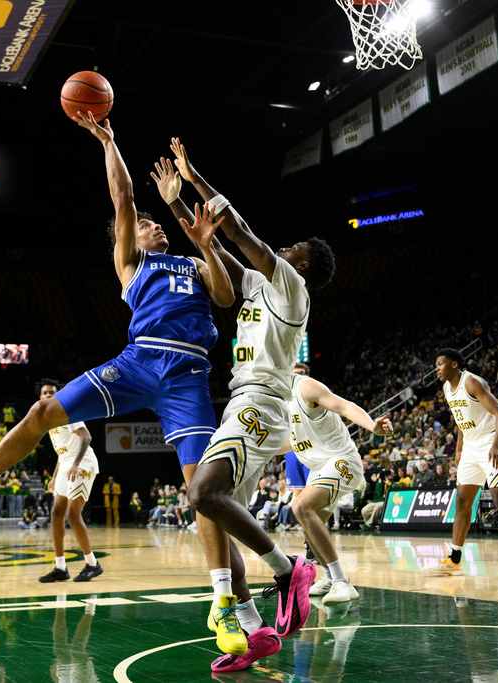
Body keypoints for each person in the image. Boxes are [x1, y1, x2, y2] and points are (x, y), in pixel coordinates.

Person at [0, 115, 234, 567]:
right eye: (146, 225)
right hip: (140, 361)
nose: (154, 225)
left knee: (203, 491)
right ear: (130, 239)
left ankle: (224, 601)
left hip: (188, 374)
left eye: (155, 223)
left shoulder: (191, 263)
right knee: (43, 411)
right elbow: (122, 198)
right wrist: (109, 141)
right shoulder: (132, 264)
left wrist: (206, 247)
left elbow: (225, 295)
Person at [164, 137, 336, 667]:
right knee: (218, 517)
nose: (283, 252)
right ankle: (255, 632)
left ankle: (290, 571)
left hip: (258, 404)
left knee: (201, 494)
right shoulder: (262, 286)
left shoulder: (292, 290)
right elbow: (213, 245)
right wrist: (176, 206)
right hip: (244, 401)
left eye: (293, 253)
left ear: (301, 270)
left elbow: (236, 229)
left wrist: (194, 179)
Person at [424, 349, 498, 579]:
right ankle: (454, 560)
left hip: (490, 442)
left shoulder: (471, 382)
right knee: (463, 502)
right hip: (470, 446)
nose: (436, 368)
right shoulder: (447, 388)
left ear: (454, 364)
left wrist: (496, 445)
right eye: (436, 365)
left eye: (440, 364)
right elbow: (461, 421)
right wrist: (458, 448)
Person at [284, 363, 392, 606]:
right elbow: (287, 442)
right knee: (309, 522)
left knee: (301, 507)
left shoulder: (306, 386)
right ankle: (331, 578)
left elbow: (344, 406)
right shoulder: (280, 400)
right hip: (319, 466)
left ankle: (343, 581)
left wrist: (372, 426)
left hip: (341, 460)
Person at [35, 379, 103, 583]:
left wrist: (75, 463)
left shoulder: (67, 413)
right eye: (44, 393)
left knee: (73, 515)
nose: (47, 395)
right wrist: (55, 476)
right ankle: (60, 567)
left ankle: (93, 564)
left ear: (57, 395)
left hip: (82, 463)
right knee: (56, 513)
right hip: (65, 464)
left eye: (51, 392)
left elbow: (87, 437)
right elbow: (60, 453)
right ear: (39, 397)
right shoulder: (49, 420)